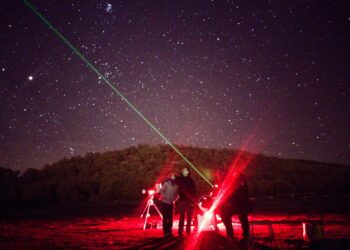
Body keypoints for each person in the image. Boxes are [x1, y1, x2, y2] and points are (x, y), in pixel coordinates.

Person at [219, 173, 251, 242]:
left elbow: (240, 197)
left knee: (243, 218)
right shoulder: (239, 185)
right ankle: (231, 235)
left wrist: (229, 203)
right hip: (236, 206)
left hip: (241, 206)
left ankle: (244, 236)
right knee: (225, 214)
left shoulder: (242, 186)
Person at [176, 167, 197, 236]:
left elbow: (194, 191)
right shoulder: (179, 179)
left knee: (189, 216)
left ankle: (188, 230)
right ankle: (180, 231)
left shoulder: (191, 181)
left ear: (188, 172)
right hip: (182, 200)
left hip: (189, 201)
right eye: (183, 170)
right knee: (182, 216)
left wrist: (192, 199)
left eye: (185, 170)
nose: (183, 171)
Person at [160, 171, 179, 237]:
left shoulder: (176, 185)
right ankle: (165, 232)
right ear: (169, 177)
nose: (172, 176)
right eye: (171, 175)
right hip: (165, 202)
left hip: (171, 203)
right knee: (165, 218)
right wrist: (166, 196)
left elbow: (177, 194)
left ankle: (170, 231)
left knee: (170, 218)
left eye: (173, 175)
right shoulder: (166, 183)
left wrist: (175, 199)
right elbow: (161, 191)